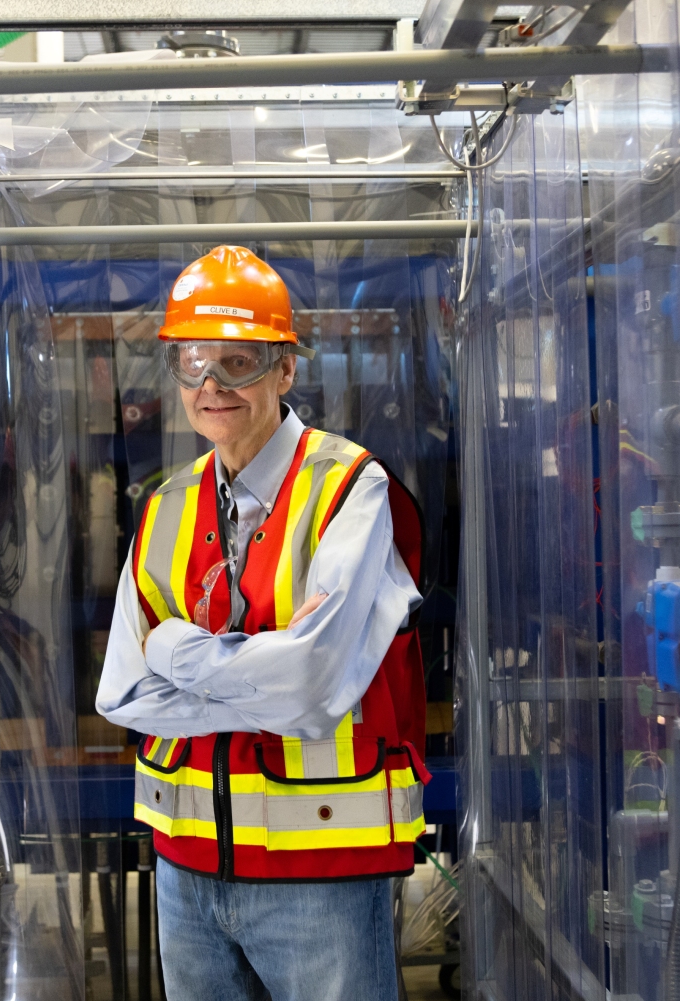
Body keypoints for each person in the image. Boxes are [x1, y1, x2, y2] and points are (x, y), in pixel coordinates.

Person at [96, 245, 428, 1001]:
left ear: (285, 369)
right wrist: (259, 668)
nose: (212, 386)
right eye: (192, 362)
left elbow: (309, 685)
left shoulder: (352, 486)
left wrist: (176, 648)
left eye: (238, 361)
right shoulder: (165, 505)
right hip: (186, 868)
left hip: (322, 872)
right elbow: (121, 693)